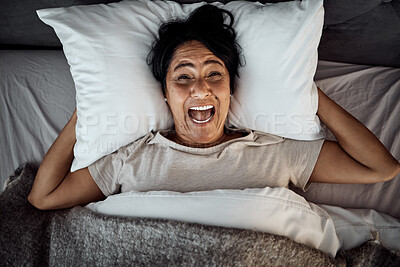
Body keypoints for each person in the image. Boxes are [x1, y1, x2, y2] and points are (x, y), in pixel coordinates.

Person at [28, 5, 400, 210]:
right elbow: (43, 197)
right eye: (183, 78)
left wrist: (311, 97)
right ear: (165, 96)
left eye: (214, 75)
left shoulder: (276, 152)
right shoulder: (130, 158)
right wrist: (86, 115)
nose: (200, 88)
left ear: (231, 89)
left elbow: (381, 169)